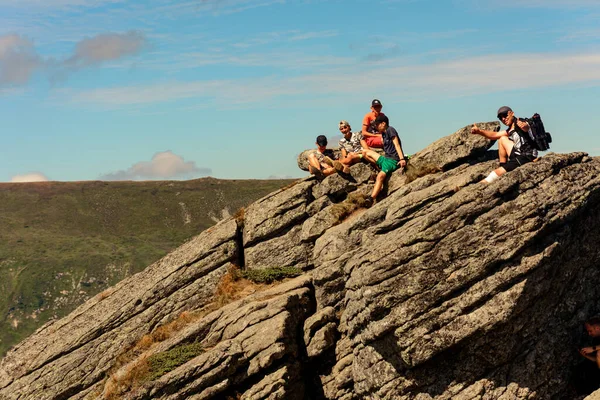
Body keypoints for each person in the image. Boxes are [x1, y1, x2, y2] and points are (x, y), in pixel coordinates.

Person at [471, 106, 538, 184]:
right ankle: (503, 166)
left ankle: (483, 184)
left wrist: (524, 126)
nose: (503, 119)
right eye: (500, 117)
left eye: (505, 115)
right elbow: (495, 135)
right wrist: (479, 131)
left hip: (526, 157)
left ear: (511, 113)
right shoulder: (511, 128)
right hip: (518, 153)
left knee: (494, 174)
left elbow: (526, 127)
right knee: (502, 139)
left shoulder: (520, 122)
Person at [362, 114, 407, 206]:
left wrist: (402, 159)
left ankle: (371, 198)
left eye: (377, 125)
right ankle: (380, 167)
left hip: (392, 160)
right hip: (386, 159)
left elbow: (397, 145)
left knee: (380, 177)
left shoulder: (390, 130)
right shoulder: (383, 133)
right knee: (365, 152)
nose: (376, 127)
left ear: (383, 123)